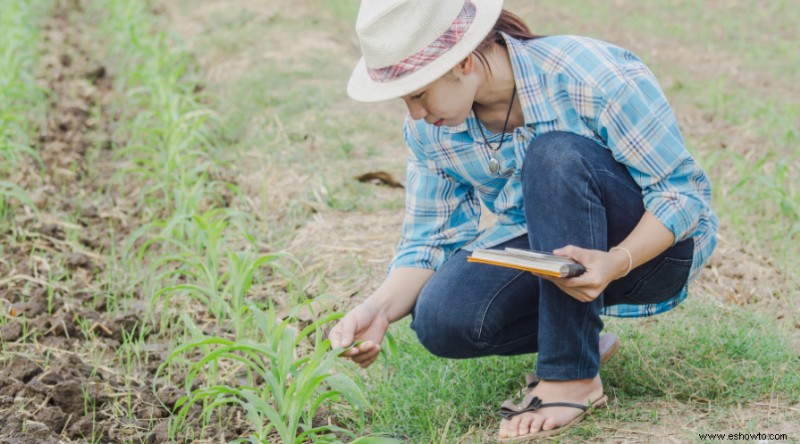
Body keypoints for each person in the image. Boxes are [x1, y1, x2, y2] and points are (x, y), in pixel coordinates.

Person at [328, 0, 718, 440]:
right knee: (440, 317)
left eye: (419, 93)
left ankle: (571, 374)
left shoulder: (591, 76)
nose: (415, 112)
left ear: (465, 62)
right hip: (554, 253)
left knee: (553, 155)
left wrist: (616, 260)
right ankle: (578, 334)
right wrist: (376, 310)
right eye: (405, 99)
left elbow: (681, 194)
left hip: (648, 253)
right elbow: (430, 241)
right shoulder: (429, 131)